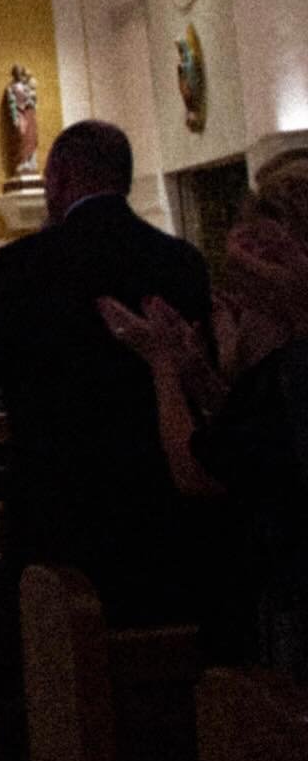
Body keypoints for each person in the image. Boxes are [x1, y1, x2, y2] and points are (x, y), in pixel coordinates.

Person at [0, 119, 212, 627]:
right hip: (156, 498)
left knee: (53, 662)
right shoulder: (180, 259)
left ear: (58, 176)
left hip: (55, 501)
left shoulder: (24, 263)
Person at [100, 159, 308, 677]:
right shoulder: (280, 365)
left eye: (267, 254)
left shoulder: (294, 362)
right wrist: (201, 376)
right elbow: (255, 443)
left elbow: (198, 473)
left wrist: (164, 367)